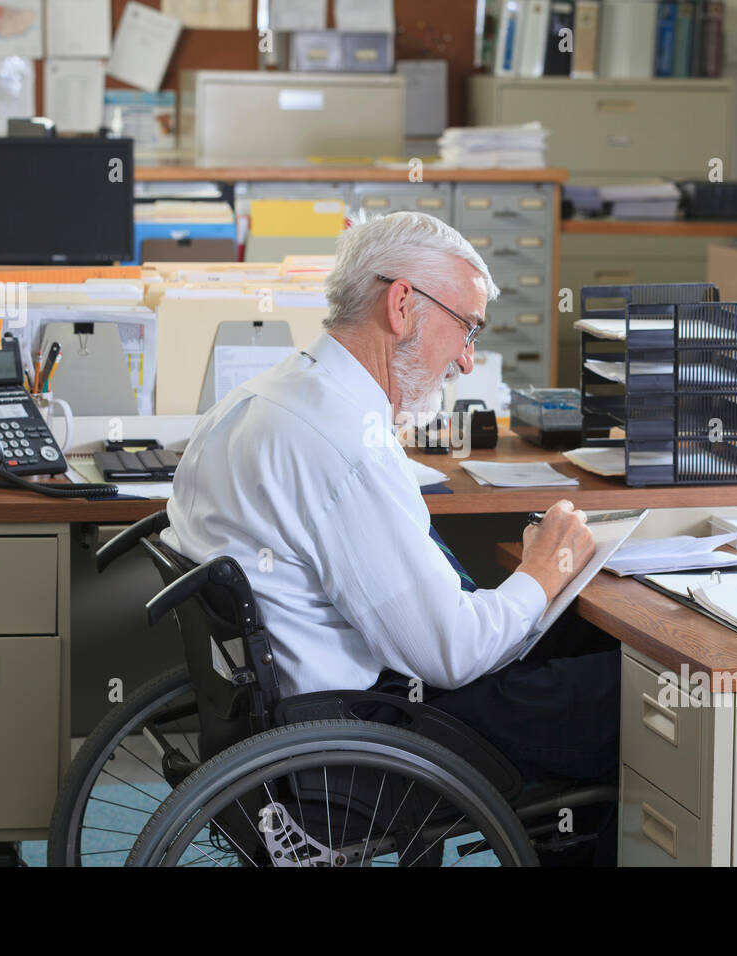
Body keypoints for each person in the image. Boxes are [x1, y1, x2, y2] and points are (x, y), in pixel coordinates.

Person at [163, 211, 619, 864]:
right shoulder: (347, 442)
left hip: (289, 710)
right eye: (466, 329)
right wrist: (544, 570)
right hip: (363, 736)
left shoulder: (258, 398)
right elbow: (452, 652)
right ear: (403, 305)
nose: (467, 358)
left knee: (584, 639)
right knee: (638, 692)